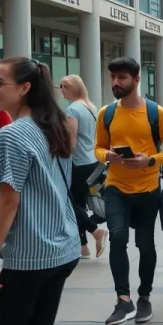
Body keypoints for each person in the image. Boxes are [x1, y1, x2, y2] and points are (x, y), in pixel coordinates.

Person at [0, 57, 84, 325]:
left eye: (1, 83)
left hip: (30, 256)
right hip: (62, 248)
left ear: (25, 87)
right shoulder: (52, 124)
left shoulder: (13, 134)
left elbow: (9, 200)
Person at [94, 57, 163, 325]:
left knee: (145, 244)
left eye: (122, 77)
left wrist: (150, 160)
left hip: (147, 188)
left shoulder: (156, 113)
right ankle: (123, 299)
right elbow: (97, 147)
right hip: (116, 187)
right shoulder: (106, 113)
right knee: (118, 238)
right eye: (113, 77)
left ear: (136, 79)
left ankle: (144, 296)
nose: (116, 83)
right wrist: (107, 155)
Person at [60, 75, 107, 260]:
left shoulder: (72, 109)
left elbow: (71, 141)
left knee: (68, 203)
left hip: (78, 163)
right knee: (78, 203)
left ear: (73, 88)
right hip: (92, 161)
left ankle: (96, 232)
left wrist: (61, 157)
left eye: (64, 87)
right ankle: (83, 247)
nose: (62, 90)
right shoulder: (90, 106)